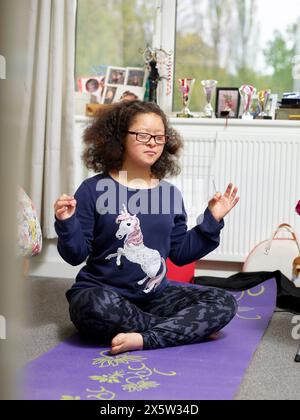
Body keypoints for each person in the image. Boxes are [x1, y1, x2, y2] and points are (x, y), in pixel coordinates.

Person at [54, 100, 240, 355]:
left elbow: (180, 252)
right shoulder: (92, 189)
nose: (152, 142)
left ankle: (143, 338)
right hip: (104, 296)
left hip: (154, 296)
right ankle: (178, 330)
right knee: (91, 306)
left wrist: (212, 219)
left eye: (159, 136)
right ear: (120, 137)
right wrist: (67, 222)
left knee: (223, 302)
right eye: (143, 135)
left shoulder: (170, 194)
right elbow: (75, 255)